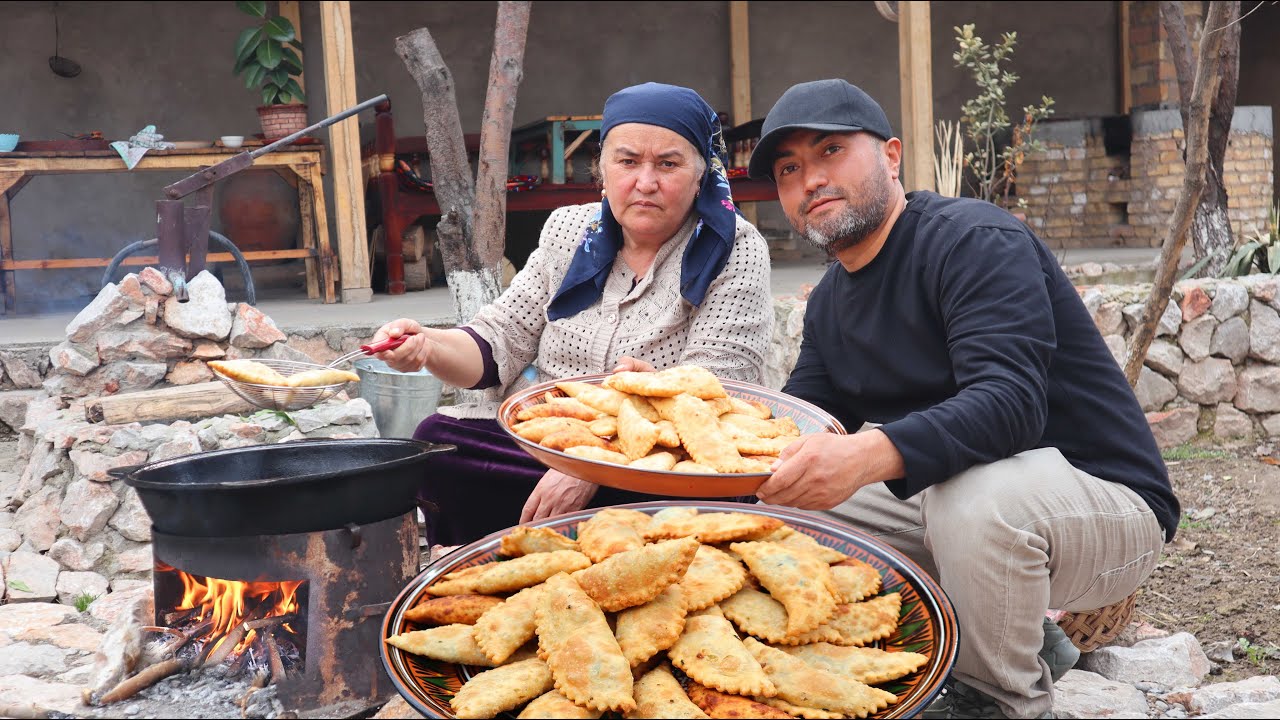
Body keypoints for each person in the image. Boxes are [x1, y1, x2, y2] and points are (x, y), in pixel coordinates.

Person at [746, 79, 1179, 719]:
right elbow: (796, 427)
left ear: (891, 156)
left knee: (972, 499)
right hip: (961, 507)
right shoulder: (832, 301)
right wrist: (675, 407)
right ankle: (965, 638)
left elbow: (1009, 404)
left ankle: (994, 700)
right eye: (789, 169)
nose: (809, 179)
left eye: (830, 151)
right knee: (781, 503)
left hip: (1104, 503)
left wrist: (868, 454)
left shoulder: (972, 240)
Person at [372, 82, 774, 549]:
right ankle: (494, 567)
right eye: (627, 162)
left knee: (693, 501)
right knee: (438, 443)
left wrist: (591, 465)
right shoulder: (568, 230)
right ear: (601, 169)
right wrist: (427, 345)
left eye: (668, 164)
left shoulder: (736, 248)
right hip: (547, 441)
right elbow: (499, 339)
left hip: (660, 460)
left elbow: (720, 385)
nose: (645, 182)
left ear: (702, 174)